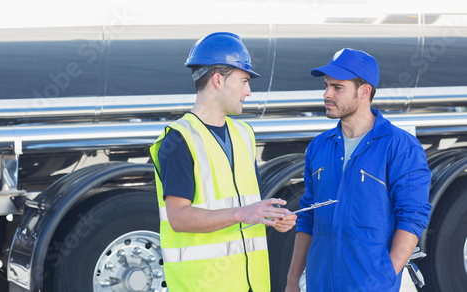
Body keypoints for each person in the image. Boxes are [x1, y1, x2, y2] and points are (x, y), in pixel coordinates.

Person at [150, 32, 297, 292]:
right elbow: (179, 218)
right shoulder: (179, 139)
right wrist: (243, 213)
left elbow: (246, 205)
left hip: (252, 283)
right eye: (243, 81)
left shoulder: (244, 135)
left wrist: (271, 217)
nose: (248, 92)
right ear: (218, 79)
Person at [285, 48, 432, 292]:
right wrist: (292, 281)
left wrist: (385, 278)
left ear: (364, 91)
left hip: (370, 284)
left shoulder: (399, 146)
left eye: (337, 87)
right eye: (326, 86)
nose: (326, 94)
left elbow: (412, 217)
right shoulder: (319, 146)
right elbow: (308, 218)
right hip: (320, 283)